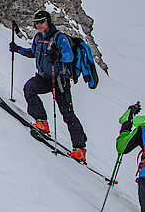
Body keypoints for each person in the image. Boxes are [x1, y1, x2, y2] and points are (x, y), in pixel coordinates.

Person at [9, 10, 87, 162]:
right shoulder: (38, 38)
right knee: (29, 88)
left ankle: (80, 149)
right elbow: (33, 53)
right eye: (37, 22)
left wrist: (59, 55)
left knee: (67, 113)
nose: (39, 25)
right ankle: (42, 121)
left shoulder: (59, 38)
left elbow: (69, 55)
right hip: (43, 78)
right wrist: (18, 49)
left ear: (48, 21)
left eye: (42, 22)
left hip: (59, 81)